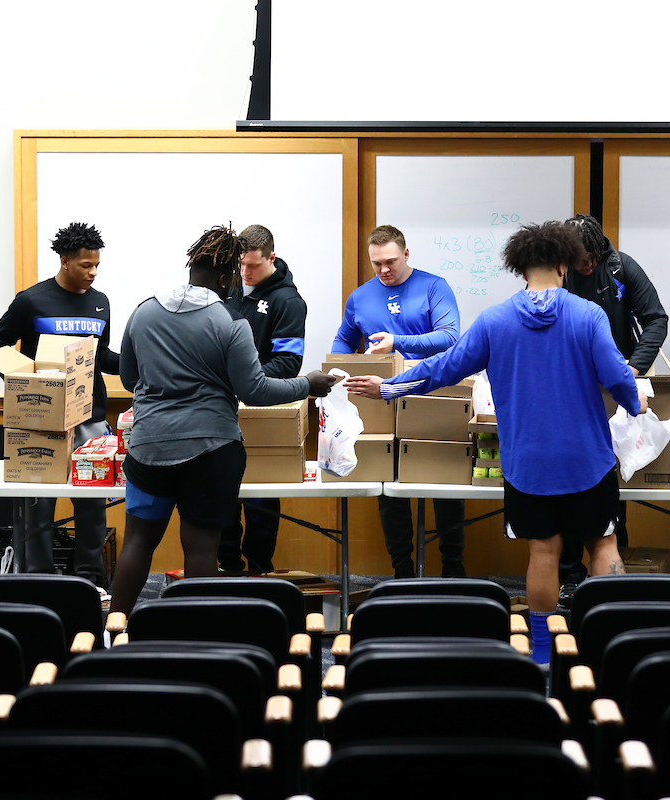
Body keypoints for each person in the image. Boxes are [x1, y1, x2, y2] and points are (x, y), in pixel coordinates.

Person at [345, 222, 646, 665]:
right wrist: (634, 402)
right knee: (603, 544)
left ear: (519, 268)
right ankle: (605, 645)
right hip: (587, 458)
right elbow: (619, 378)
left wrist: (389, 386)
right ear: (564, 265)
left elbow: (444, 368)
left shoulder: (495, 321)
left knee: (543, 550)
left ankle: (543, 651)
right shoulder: (587, 315)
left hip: (527, 463)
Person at [109, 225, 335, 615]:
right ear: (228, 276)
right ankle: (198, 642)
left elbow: (130, 379)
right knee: (201, 549)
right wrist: (308, 385)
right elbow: (256, 391)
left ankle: (111, 634)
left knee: (137, 544)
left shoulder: (143, 311)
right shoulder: (230, 324)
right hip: (210, 451)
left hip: (148, 447)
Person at [0, 222, 120, 587]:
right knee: (38, 505)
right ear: (64, 260)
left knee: (92, 503)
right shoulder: (31, 300)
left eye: (96, 266)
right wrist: (25, 390)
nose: (92, 273)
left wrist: (135, 364)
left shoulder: (100, 302)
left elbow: (101, 355)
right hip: (39, 423)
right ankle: (40, 577)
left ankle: (90, 577)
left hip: (90, 418)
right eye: (85, 266)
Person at [331, 225, 466, 578]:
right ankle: (402, 572)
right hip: (381, 399)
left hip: (431, 395)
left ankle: (453, 569)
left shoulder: (433, 287)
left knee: (444, 483)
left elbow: (451, 337)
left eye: (390, 262)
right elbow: (343, 342)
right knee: (388, 488)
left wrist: (397, 341)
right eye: (376, 264)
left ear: (406, 255)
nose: (384, 270)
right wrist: (343, 369)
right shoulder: (360, 297)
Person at [558, 214, 669, 601]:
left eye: (591, 261)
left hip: (616, 388)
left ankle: (609, 579)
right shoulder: (555, 273)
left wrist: (632, 367)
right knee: (568, 483)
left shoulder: (621, 267)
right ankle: (569, 576)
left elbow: (656, 319)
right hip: (567, 388)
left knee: (607, 484)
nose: (586, 268)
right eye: (580, 262)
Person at [218, 224, 309, 574]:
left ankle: (259, 569)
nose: (244, 273)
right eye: (240, 265)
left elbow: (288, 363)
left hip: (264, 410)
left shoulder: (288, 301)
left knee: (259, 500)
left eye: (252, 266)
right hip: (225, 410)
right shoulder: (230, 288)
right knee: (225, 495)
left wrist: (246, 380)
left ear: (271, 257)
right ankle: (227, 567)